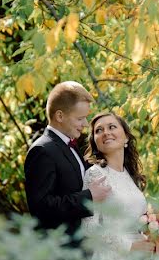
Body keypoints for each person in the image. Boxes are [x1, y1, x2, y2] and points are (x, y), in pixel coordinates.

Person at [81, 111, 159, 260]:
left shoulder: (130, 175)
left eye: (112, 127)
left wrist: (155, 226)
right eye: (98, 130)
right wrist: (128, 247)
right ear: (95, 143)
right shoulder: (95, 174)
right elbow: (90, 227)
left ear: (126, 138)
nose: (105, 132)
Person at [24, 81, 111, 247]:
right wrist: (89, 196)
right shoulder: (42, 151)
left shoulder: (70, 146)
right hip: (59, 253)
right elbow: (41, 208)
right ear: (60, 116)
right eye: (80, 118)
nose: (86, 124)